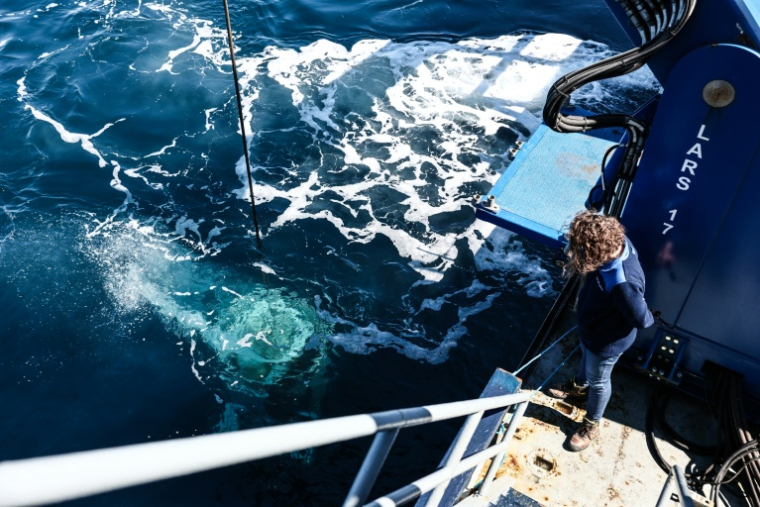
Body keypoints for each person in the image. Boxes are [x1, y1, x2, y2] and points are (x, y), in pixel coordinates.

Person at [548, 210, 655, 452]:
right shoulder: (619, 242)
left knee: (599, 379)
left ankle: (591, 424)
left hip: (606, 342)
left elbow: (643, 319)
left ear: (597, 251)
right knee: (587, 359)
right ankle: (577, 388)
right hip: (591, 329)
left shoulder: (622, 283)